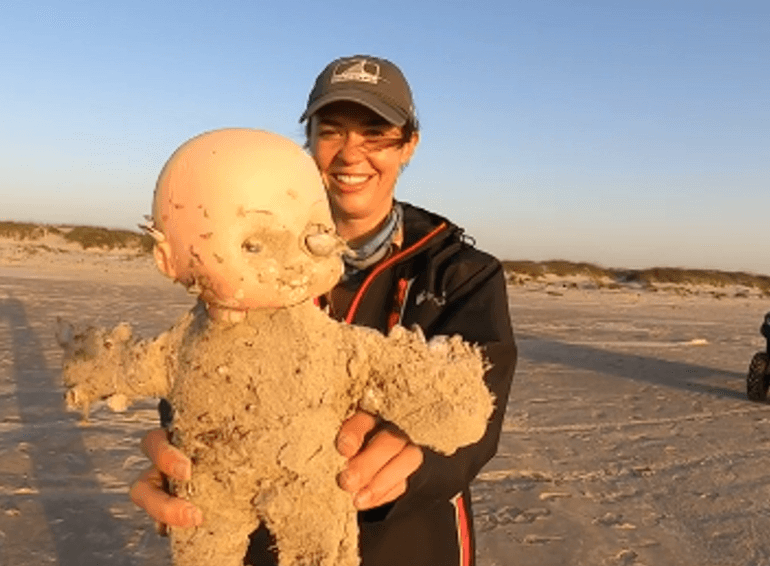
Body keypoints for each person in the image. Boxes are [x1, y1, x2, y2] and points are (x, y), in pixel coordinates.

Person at [130, 54, 517, 566]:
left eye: (375, 134)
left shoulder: (462, 273)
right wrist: (186, 447)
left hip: (411, 542)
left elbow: (476, 412)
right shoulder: (248, 258)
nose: (350, 153)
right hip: (262, 540)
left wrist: (413, 455)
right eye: (331, 131)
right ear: (307, 142)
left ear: (409, 146)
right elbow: (207, 359)